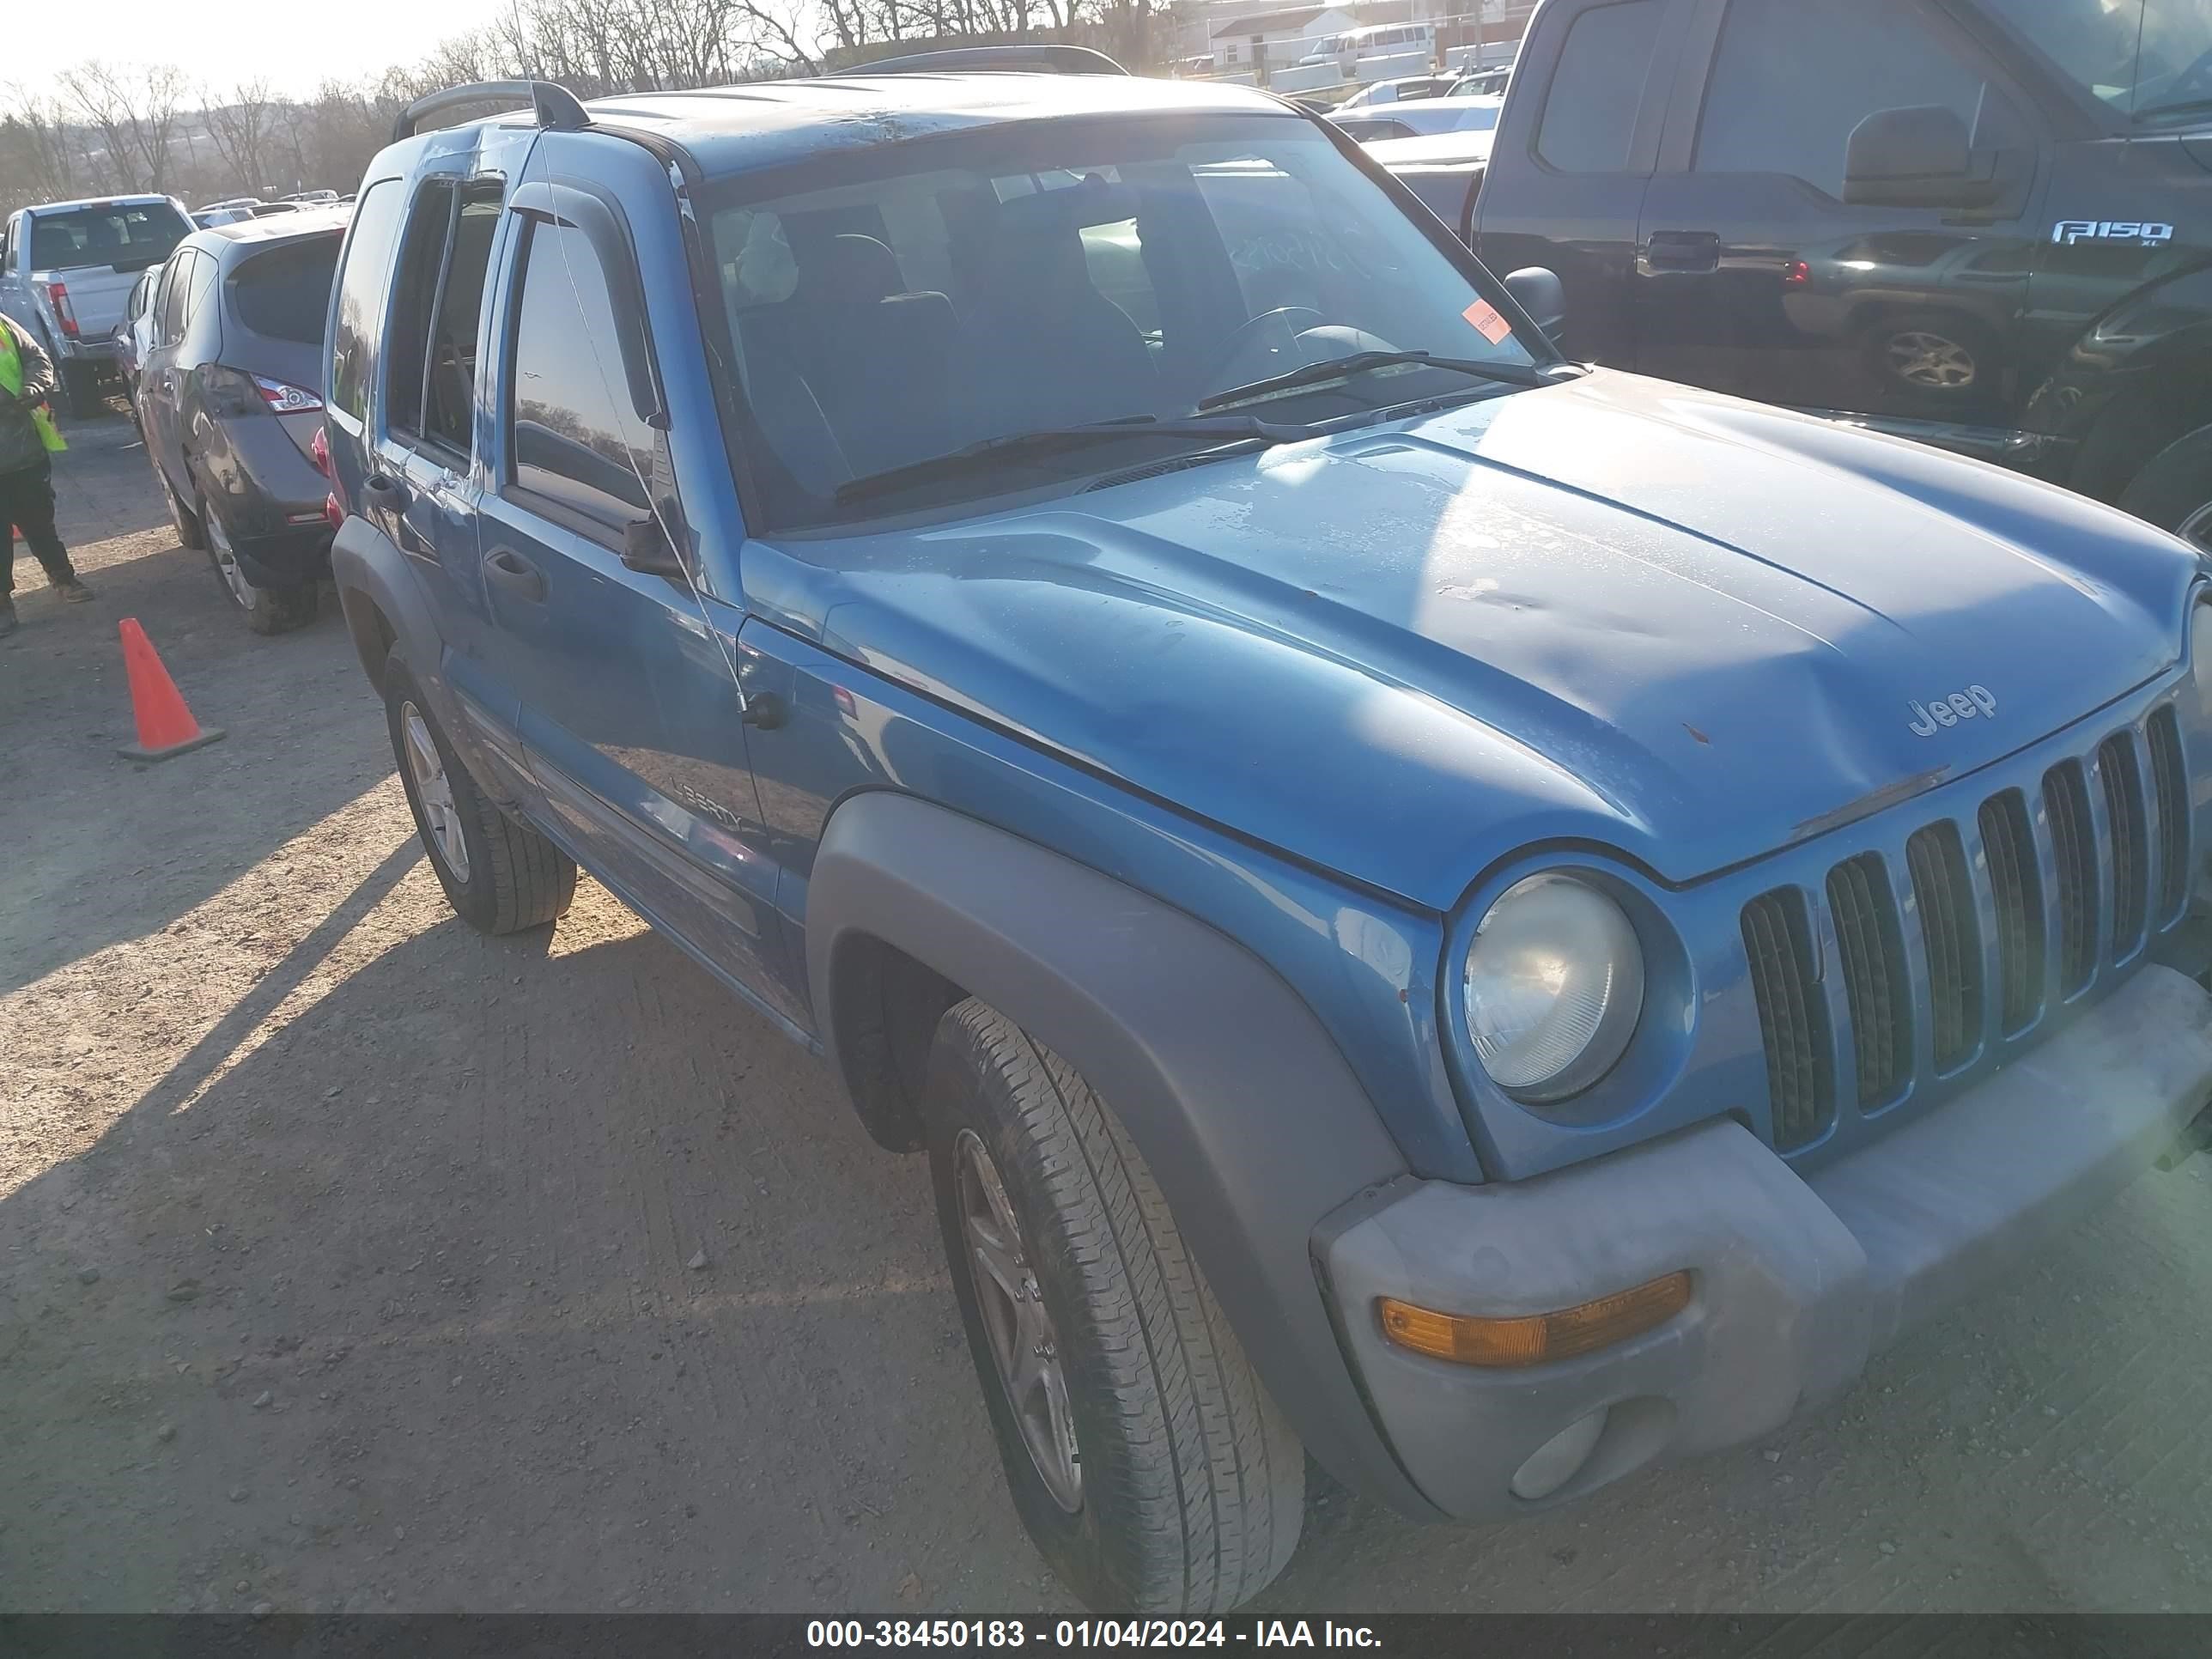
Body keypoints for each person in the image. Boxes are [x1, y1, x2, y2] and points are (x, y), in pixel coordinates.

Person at [0, 310, 94, 638]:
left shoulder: (2, 325)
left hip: (23, 449)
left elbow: (36, 358)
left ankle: (62, 577)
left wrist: (34, 387)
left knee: (39, 521)